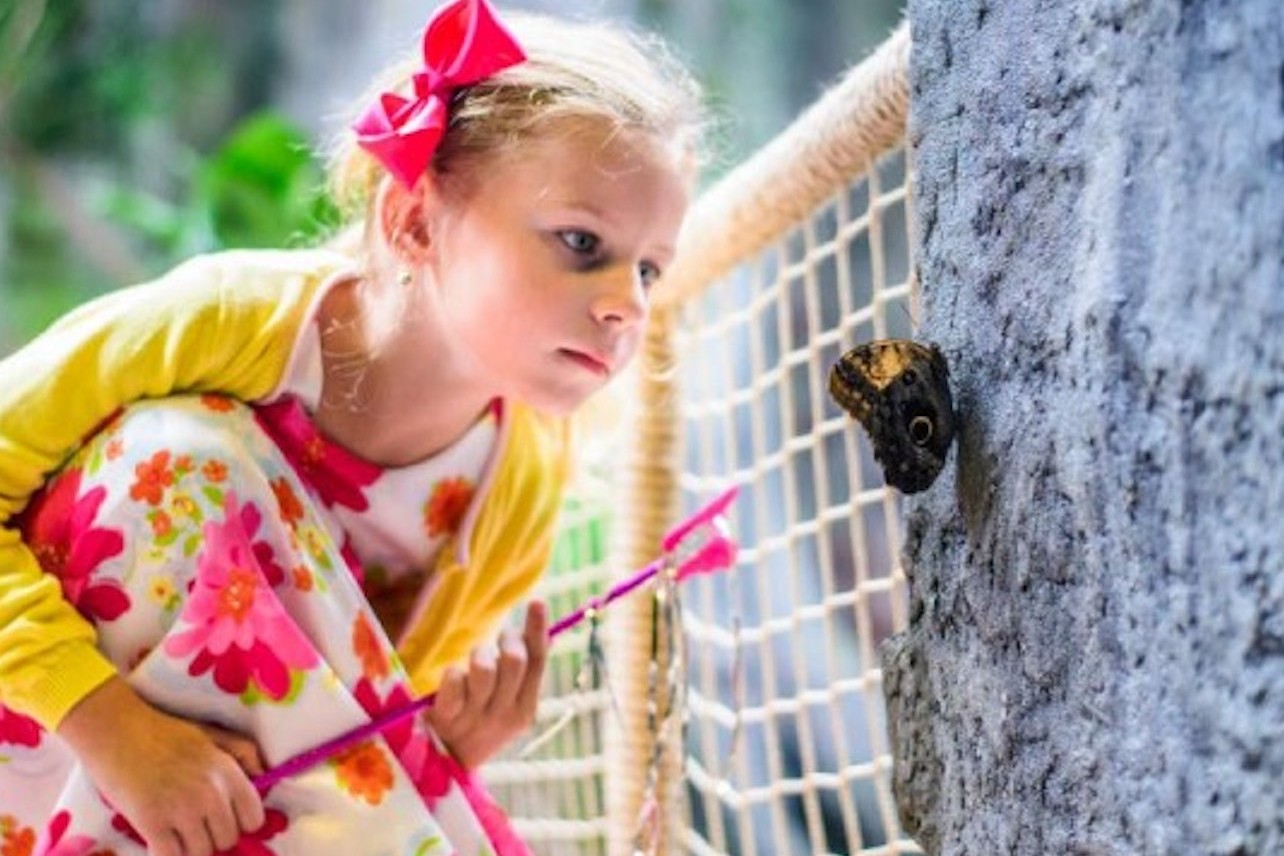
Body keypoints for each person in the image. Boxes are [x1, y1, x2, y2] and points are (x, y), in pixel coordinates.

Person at [0, 0, 703, 852]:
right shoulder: (226, 321)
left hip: (220, 807)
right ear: (412, 220)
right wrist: (113, 730)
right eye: (582, 242)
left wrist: (448, 746)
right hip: (50, 746)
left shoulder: (518, 479)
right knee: (186, 461)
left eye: (651, 269)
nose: (630, 304)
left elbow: (346, 724)